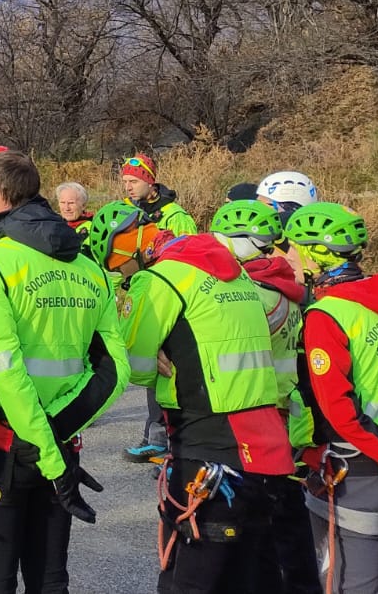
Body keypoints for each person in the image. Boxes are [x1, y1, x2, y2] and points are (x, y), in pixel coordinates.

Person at [88, 198, 296, 594]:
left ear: (124, 248)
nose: (122, 276)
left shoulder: (160, 280)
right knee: (257, 574)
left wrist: (160, 351)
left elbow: (139, 366)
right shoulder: (231, 271)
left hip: (206, 443)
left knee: (189, 577)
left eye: (119, 269)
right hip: (266, 444)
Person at [0, 150, 126, 594]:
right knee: (50, 579)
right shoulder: (91, 267)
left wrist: (44, 447)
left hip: (5, 447)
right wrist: (57, 443)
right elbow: (115, 371)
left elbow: (3, 367)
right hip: (63, 444)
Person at [285, 203, 378, 594]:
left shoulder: (327, 315)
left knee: (350, 587)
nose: (288, 255)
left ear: (316, 254)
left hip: (362, 474)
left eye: (293, 247)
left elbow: (341, 415)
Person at [208, 200, 319, 594]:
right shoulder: (288, 289)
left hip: (262, 421)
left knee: (266, 532)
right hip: (290, 415)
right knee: (290, 523)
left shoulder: (253, 296)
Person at [118, 152, 196, 464]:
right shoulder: (129, 213)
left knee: (167, 370)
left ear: (151, 182)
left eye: (134, 181)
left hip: (169, 297)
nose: (128, 188)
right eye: (124, 182)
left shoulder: (175, 216)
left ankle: (169, 442)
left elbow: (189, 256)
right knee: (154, 368)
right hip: (143, 293)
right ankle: (156, 437)